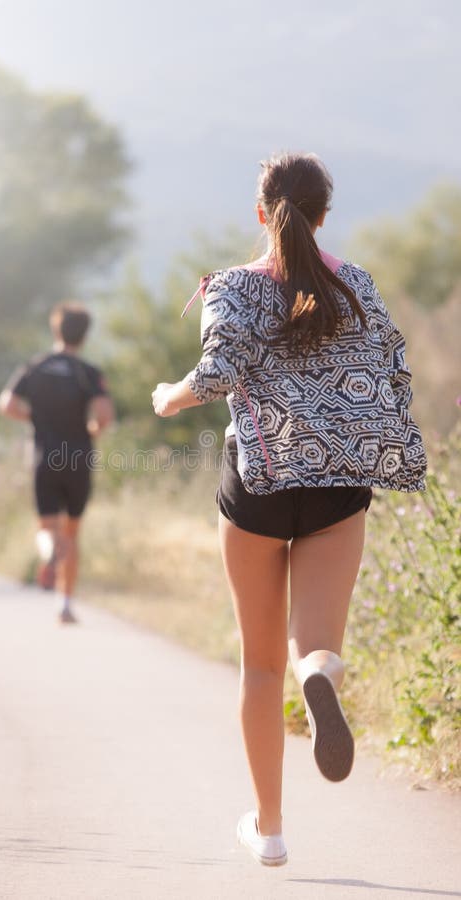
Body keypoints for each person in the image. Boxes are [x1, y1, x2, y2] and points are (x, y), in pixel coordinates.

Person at [152, 152, 426, 866]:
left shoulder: (235, 287)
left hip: (260, 489)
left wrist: (165, 397)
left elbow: (216, 374)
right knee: (313, 649)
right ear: (327, 215)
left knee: (260, 665)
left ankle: (269, 829)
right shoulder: (356, 282)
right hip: (340, 485)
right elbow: (396, 374)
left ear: (260, 212)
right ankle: (322, 677)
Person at [0, 302, 114, 624]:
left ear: (55, 329)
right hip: (77, 458)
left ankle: (48, 554)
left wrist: (34, 418)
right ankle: (65, 605)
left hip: (43, 458)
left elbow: (6, 404)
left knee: (47, 528)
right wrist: (91, 429)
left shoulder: (35, 366)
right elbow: (104, 416)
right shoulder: (88, 373)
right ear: (85, 336)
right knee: (72, 533)